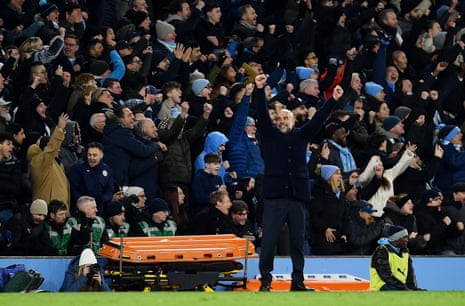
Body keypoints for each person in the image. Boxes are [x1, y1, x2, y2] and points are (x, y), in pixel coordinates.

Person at [254, 73, 344, 292]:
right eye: (281, 119)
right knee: (268, 244)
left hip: (297, 199)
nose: (283, 121)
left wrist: (333, 99)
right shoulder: (269, 134)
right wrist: (258, 90)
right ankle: (265, 281)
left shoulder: (303, 136)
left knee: (297, 244)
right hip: (275, 198)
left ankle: (298, 282)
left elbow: (319, 119)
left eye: (287, 119)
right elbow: (260, 113)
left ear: (293, 121)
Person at [68, 142, 116, 215]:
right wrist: (85, 203)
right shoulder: (77, 168)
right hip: (81, 210)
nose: (91, 158)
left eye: (94, 155)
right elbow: (74, 190)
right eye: (89, 155)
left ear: (101, 155)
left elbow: (110, 191)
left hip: (99, 210)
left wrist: (101, 200)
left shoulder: (107, 170)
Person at [370, 224, 421, 291]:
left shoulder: (405, 252)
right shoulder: (382, 251)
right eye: (404, 237)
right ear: (396, 239)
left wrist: (412, 288)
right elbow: (385, 275)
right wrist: (403, 287)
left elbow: (410, 275)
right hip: (382, 286)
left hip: (399, 286)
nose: (407, 240)